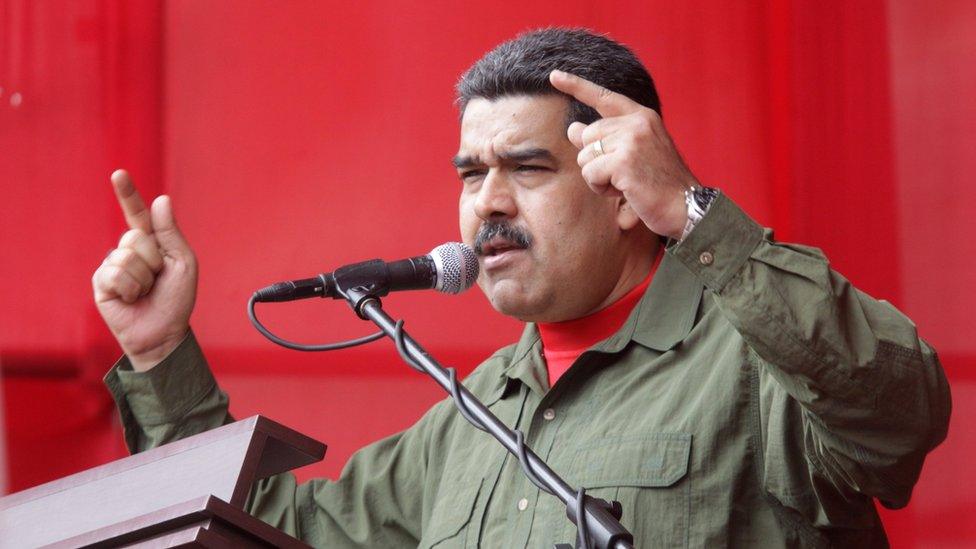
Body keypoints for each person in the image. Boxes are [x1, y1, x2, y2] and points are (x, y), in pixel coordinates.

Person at [93, 28, 950, 547]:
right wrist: (161, 350)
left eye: (526, 168)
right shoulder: (467, 420)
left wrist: (693, 214)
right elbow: (265, 536)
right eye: (471, 174)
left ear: (621, 185)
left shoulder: (753, 362)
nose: (487, 202)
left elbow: (899, 412)